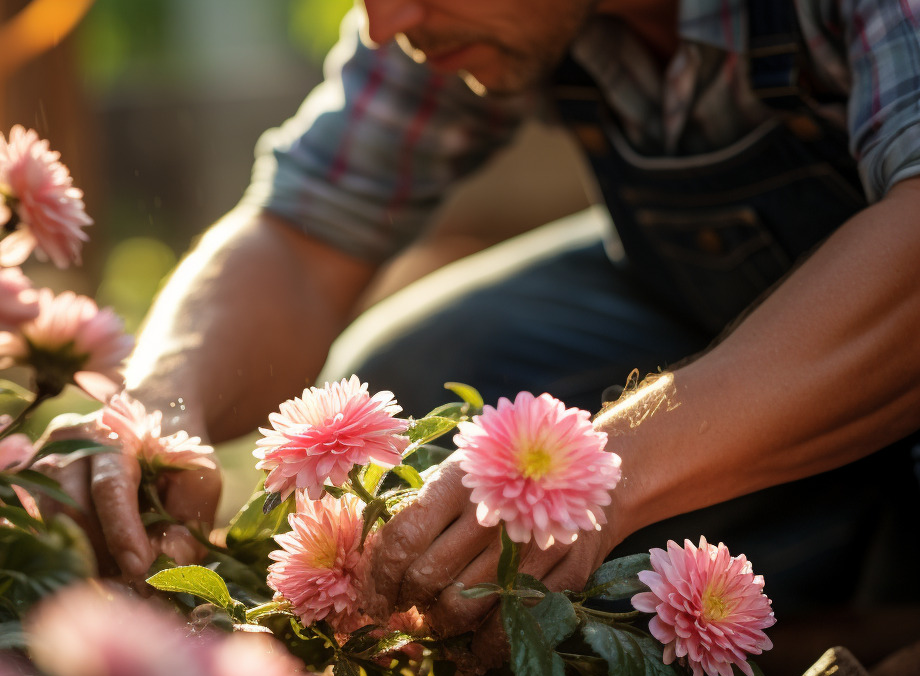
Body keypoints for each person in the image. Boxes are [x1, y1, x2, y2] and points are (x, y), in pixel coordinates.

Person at [51, 0, 920, 643]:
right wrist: (158, 403)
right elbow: (298, 236)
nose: (388, 22)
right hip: (727, 320)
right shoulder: (462, 18)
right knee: (417, 379)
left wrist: (599, 467)